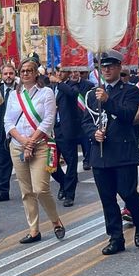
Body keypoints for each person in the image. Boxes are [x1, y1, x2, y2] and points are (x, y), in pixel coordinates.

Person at [80, 51, 139, 255]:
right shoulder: (93, 94)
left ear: (119, 67)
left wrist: (108, 101)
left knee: (127, 193)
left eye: (111, 66)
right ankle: (116, 237)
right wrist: (94, 134)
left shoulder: (130, 91)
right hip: (100, 153)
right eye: (103, 67)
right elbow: (86, 121)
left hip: (123, 152)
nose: (107, 70)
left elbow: (129, 116)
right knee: (107, 198)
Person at [3, 57, 66, 244]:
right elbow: (7, 121)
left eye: (29, 70)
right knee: (26, 191)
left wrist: (31, 141)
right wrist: (23, 141)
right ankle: (33, 230)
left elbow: (48, 120)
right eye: (22, 71)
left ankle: (55, 220)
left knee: (40, 188)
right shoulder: (14, 95)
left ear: (36, 73)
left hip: (40, 146)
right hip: (18, 146)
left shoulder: (46, 93)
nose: (25, 74)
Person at [49, 69, 92, 207]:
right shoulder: (50, 87)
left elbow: (73, 94)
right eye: (57, 71)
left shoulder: (71, 85)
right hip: (52, 130)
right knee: (51, 164)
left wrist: (60, 82)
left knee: (71, 163)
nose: (59, 73)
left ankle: (69, 194)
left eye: (62, 71)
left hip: (67, 130)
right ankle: (63, 182)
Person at [0, 65, 17, 203]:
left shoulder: (20, 90)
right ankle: (3, 191)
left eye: (11, 73)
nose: (8, 76)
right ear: (2, 75)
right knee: (2, 164)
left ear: (15, 74)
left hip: (18, 133)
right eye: (6, 73)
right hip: (1, 133)